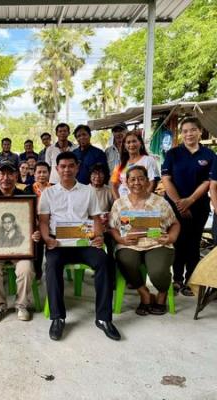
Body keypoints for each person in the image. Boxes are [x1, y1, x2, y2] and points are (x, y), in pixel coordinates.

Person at [38, 152, 120, 341]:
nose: (66, 169)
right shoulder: (48, 193)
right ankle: (58, 318)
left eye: (70, 166)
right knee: (52, 265)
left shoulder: (88, 191)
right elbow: (43, 221)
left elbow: (96, 218)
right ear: (57, 169)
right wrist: (47, 239)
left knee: (104, 261)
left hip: (84, 242)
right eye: (63, 166)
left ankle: (103, 318)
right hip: (58, 243)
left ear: (77, 167)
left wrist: (99, 236)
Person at [109, 166, 180, 315]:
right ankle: (144, 293)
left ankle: (162, 294)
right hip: (129, 244)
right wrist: (120, 238)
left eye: (141, 179)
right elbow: (112, 228)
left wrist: (171, 237)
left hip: (157, 243)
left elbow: (175, 223)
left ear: (147, 181)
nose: (137, 183)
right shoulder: (119, 204)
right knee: (126, 261)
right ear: (126, 183)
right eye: (133, 179)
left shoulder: (160, 202)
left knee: (158, 271)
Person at [0, 160, 41, 323]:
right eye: (2, 174)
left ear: (16, 176)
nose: (6, 178)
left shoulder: (26, 197)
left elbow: (34, 223)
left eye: (10, 174)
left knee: (26, 269)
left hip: (20, 248)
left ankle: (21, 305)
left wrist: (35, 234)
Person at [161, 117, 215, 296]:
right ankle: (176, 279)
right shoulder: (173, 154)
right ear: (181, 134)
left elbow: (209, 182)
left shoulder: (209, 155)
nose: (189, 134)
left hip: (198, 207)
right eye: (185, 131)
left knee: (193, 243)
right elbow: (166, 179)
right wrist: (180, 204)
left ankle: (190, 280)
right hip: (174, 207)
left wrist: (190, 201)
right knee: (177, 242)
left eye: (192, 130)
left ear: (200, 131)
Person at [111, 130, 160, 199]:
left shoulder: (148, 160)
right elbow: (113, 185)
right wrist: (119, 202)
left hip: (143, 201)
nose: (131, 145)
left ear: (140, 143)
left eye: (134, 141)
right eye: (128, 142)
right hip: (124, 202)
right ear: (124, 146)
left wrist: (141, 201)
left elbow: (153, 183)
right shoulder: (120, 164)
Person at [24, 161, 52, 280]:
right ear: (34, 174)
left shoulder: (55, 188)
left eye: (44, 172)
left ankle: (52, 270)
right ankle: (37, 272)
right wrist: (34, 224)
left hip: (52, 224)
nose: (42, 175)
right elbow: (25, 209)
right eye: (39, 172)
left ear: (49, 173)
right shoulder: (28, 189)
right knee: (36, 240)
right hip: (35, 225)